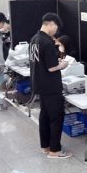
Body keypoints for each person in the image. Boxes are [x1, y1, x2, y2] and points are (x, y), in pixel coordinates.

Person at [30, 13, 71, 158]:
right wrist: (63, 65)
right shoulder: (47, 42)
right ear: (51, 24)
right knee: (56, 117)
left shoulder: (35, 39)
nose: (56, 31)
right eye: (56, 27)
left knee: (45, 115)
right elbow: (51, 67)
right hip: (51, 85)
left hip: (39, 83)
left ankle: (45, 146)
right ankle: (55, 150)